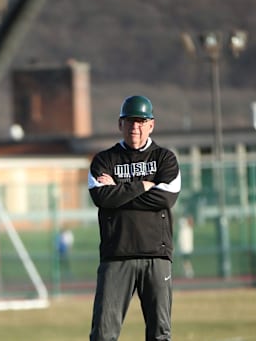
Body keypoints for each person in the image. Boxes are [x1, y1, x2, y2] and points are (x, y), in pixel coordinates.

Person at [87, 95, 181, 341]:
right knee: (103, 334)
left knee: (160, 334)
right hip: (116, 256)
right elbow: (101, 198)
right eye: (129, 122)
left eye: (141, 122)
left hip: (156, 256)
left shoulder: (165, 159)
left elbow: (166, 197)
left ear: (151, 124)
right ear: (120, 124)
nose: (135, 128)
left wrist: (118, 190)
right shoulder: (104, 160)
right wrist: (144, 185)